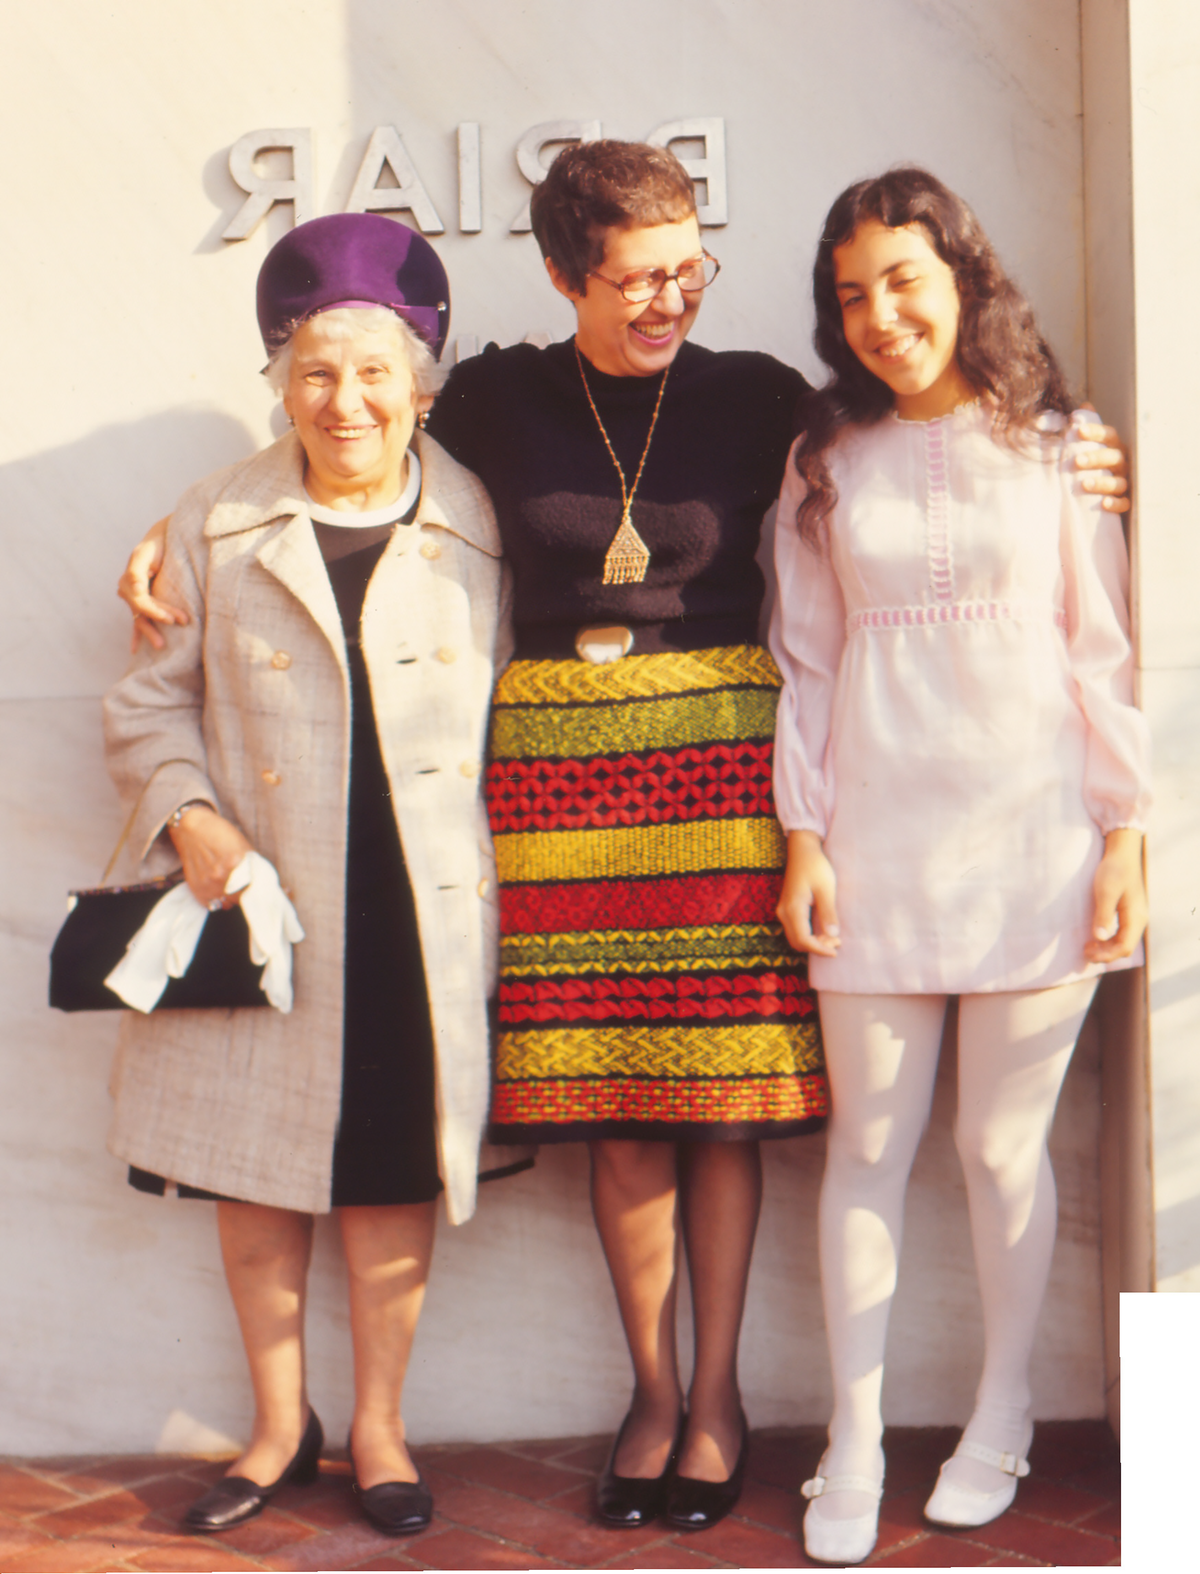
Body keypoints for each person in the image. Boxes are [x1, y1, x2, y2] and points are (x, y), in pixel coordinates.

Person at [117, 142, 1131, 1536]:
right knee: (617, 1109)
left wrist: (1083, 448)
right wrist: (176, 535)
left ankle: (715, 1403)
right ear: (559, 275)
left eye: (688, 269)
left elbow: (941, 465)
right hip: (557, 781)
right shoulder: (491, 398)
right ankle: (649, 1391)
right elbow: (349, 443)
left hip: (724, 769)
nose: (670, 300)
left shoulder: (768, 398)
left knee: (720, 1105)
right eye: (637, 278)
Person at [103, 212, 511, 1537]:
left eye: (376, 372)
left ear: (421, 385)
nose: (347, 401)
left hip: (416, 901)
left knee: (391, 1172)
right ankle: (282, 1426)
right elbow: (145, 706)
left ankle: (382, 1425)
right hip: (261, 894)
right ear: (281, 380)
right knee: (255, 1168)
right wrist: (193, 819)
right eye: (318, 372)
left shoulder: (476, 516)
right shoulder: (216, 516)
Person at [769, 167, 1151, 1565]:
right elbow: (804, 664)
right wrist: (803, 836)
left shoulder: (1061, 445)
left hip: (1035, 837)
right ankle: (853, 1435)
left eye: (905, 281)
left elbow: (1102, 647)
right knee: (864, 1149)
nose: (882, 314)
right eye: (854, 293)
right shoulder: (823, 464)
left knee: (1002, 1149)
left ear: (962, 279)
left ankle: (1003, 1415)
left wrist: (1125, 831)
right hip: (873, 844)